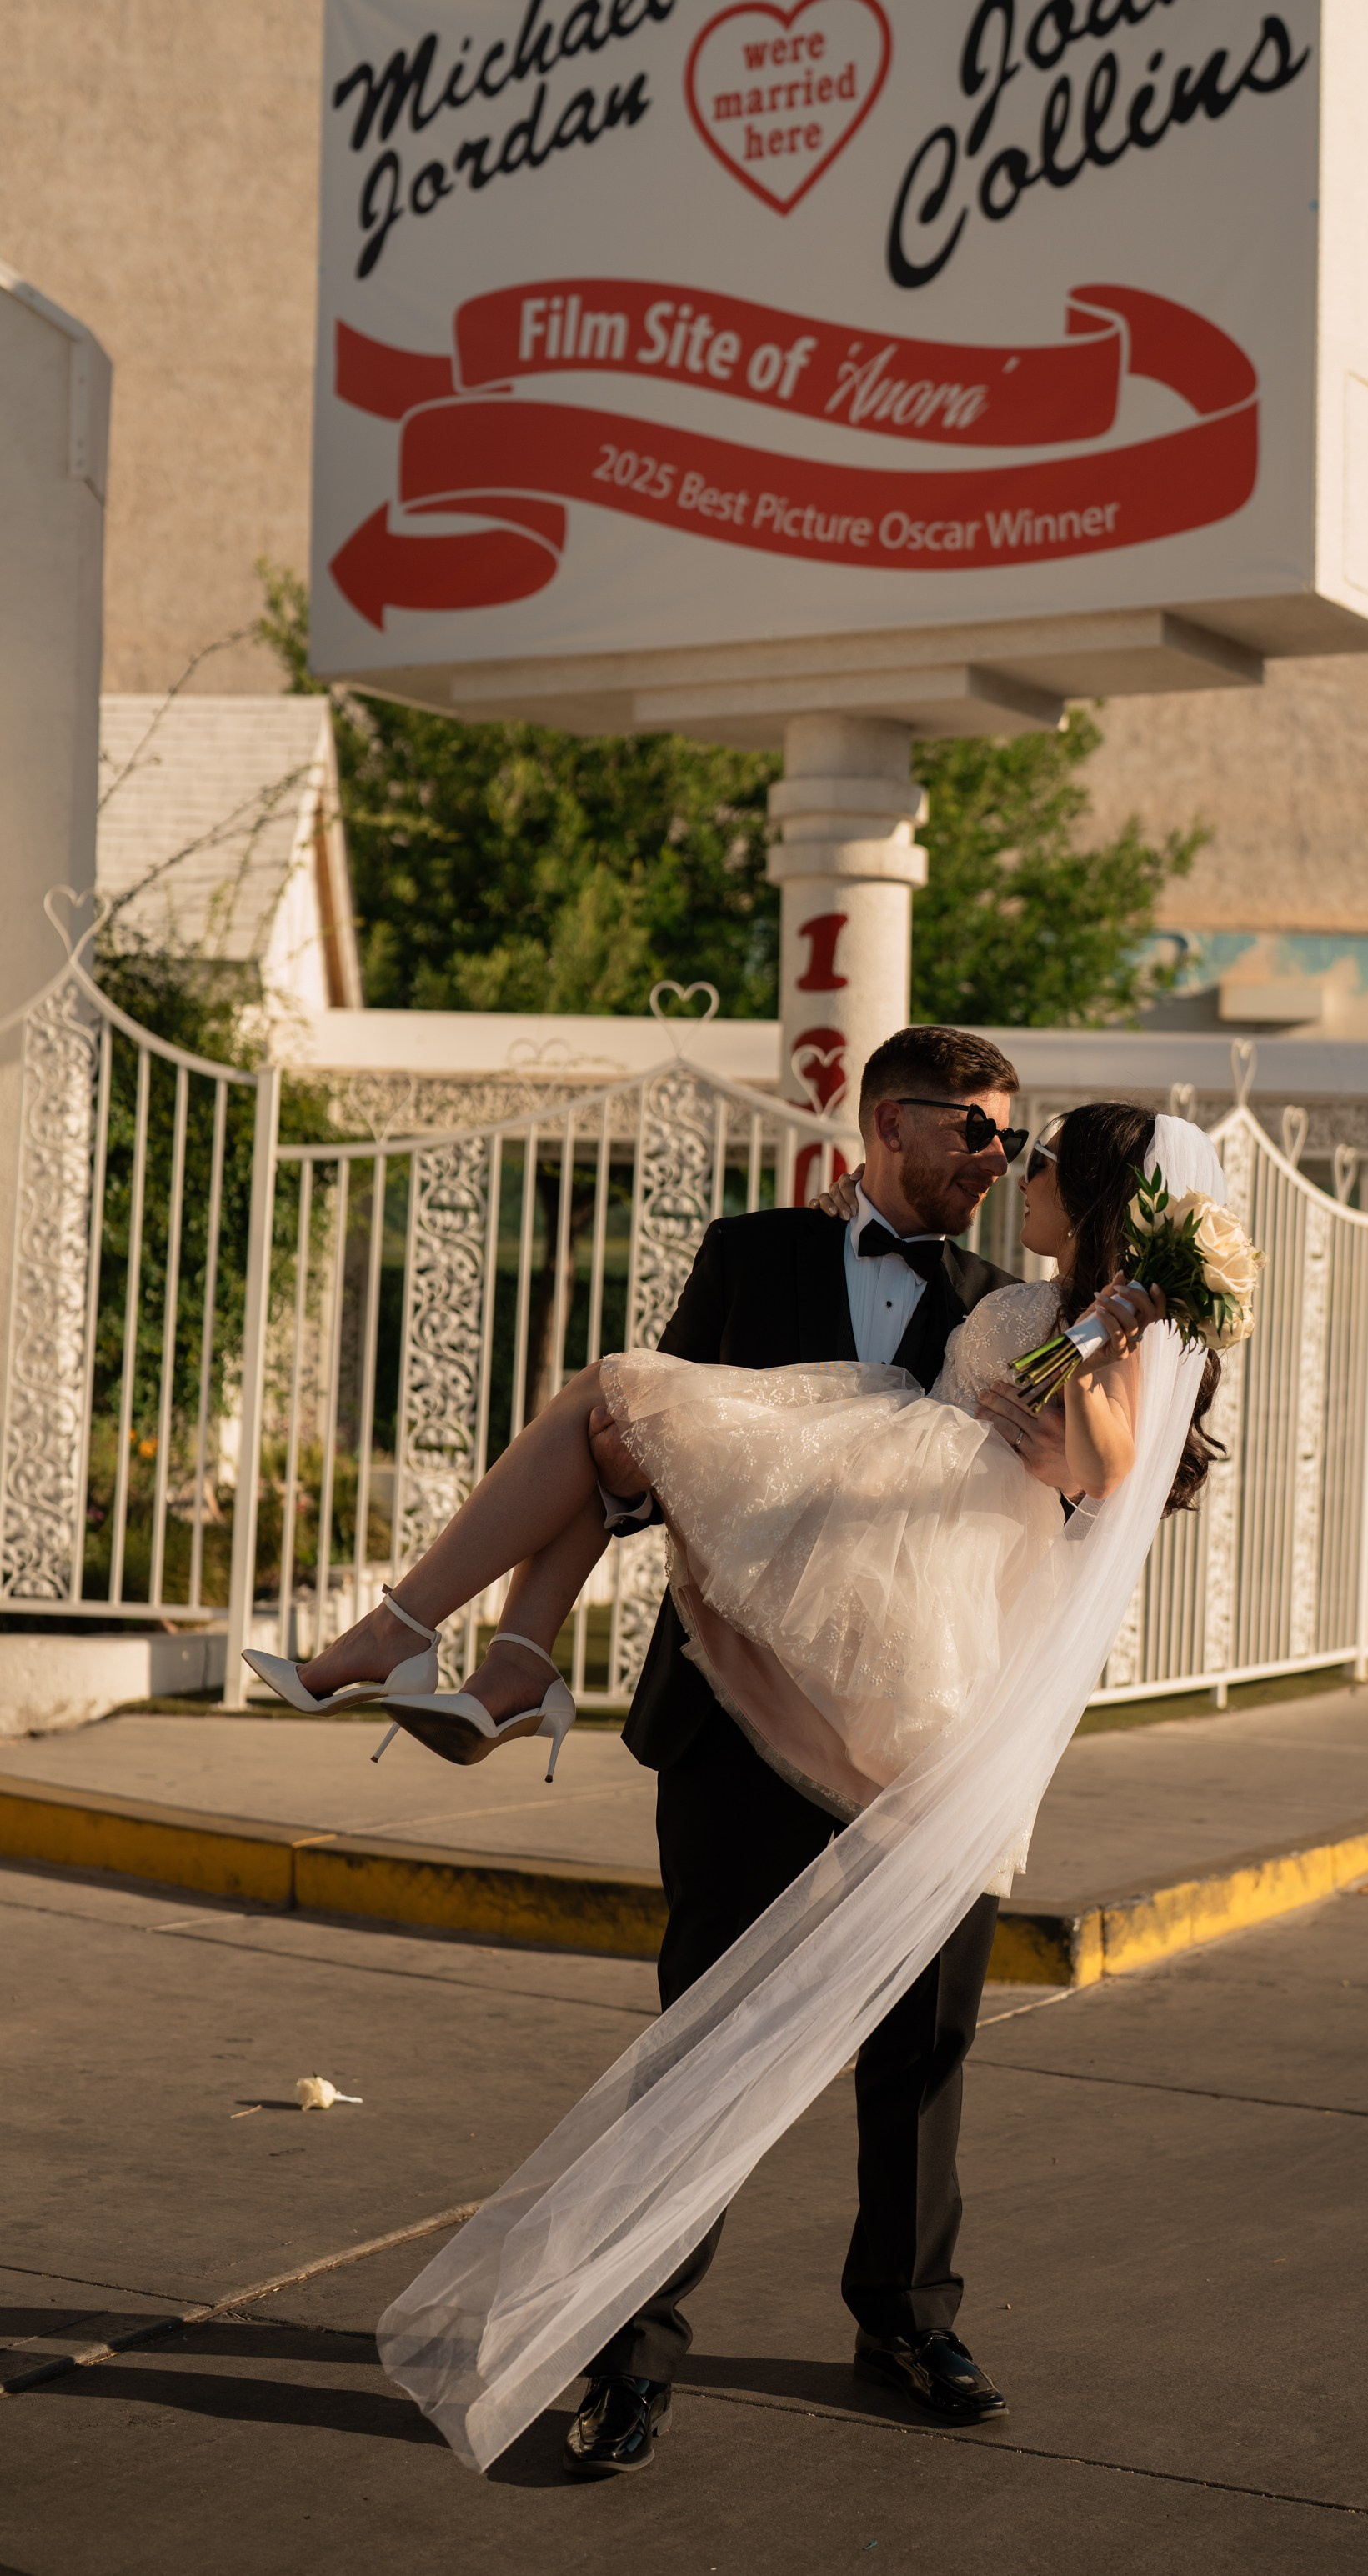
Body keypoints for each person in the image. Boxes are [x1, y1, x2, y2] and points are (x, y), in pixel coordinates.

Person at [251, 1033, 1233, 2477]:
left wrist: (1122, 1315)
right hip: (737, 1694)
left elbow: (1089, 1473)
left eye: (1015, 1143)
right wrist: (645, 1488)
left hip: (936, 1706)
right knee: (701, 2027)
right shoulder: (751, 1251)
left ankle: (908, 2319)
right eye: (972, 1129)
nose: (994, 1158)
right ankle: (634, 2348)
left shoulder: (1012, 1300)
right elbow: (665, 1463)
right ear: (886, 1120)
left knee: (925, 2041)